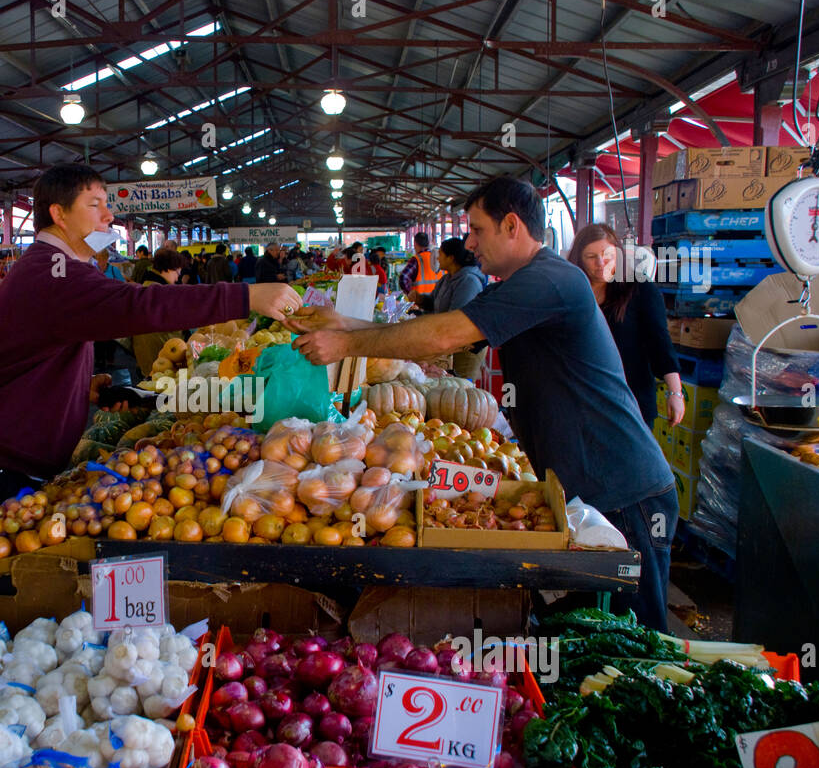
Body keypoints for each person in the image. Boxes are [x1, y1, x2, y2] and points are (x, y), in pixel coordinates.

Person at [288, 176, 677, 631]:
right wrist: (345, 323)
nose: (469, 242)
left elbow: (443, 336)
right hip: (585, 489)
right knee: (582, 635)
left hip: (623, 490)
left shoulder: (550, 282)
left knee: (641, 643)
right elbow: (446, 340)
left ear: (512, 225)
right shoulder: (522, 282)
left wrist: (345, 345)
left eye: (477, 229)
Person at [0, 164, 297, 558]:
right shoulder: (53, 272)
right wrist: (245, 297)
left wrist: (79, 386)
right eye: (96, 204)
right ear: (58, 213)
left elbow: (27, 353)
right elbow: (137, 305)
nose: (109, 215)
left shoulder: (53, 268)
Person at [569, 224, 684, 428]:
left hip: (632, 404)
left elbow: (660, 343)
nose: (600, 262)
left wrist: (675, 392)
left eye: (607, 254)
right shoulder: (571, 293)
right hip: (582, 403)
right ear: (579, 259)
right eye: (590, 256)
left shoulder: (640, 289)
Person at [431, 238, 488, 380]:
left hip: (467, 347)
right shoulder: (446, 279)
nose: (437, 257)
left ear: (451, 258)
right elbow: (433, 303)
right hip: (451, 343)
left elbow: (457, 318)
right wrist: (419, 299)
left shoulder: (468, 281)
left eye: (441, 254)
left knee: (463, 387)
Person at [399, 231, 443, 305]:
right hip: (438, 303)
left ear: (415, 243)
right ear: (428, 243)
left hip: (420, 304)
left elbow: (403, 278)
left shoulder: (416, 260)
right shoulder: (439, 258)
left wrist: (410, 294)